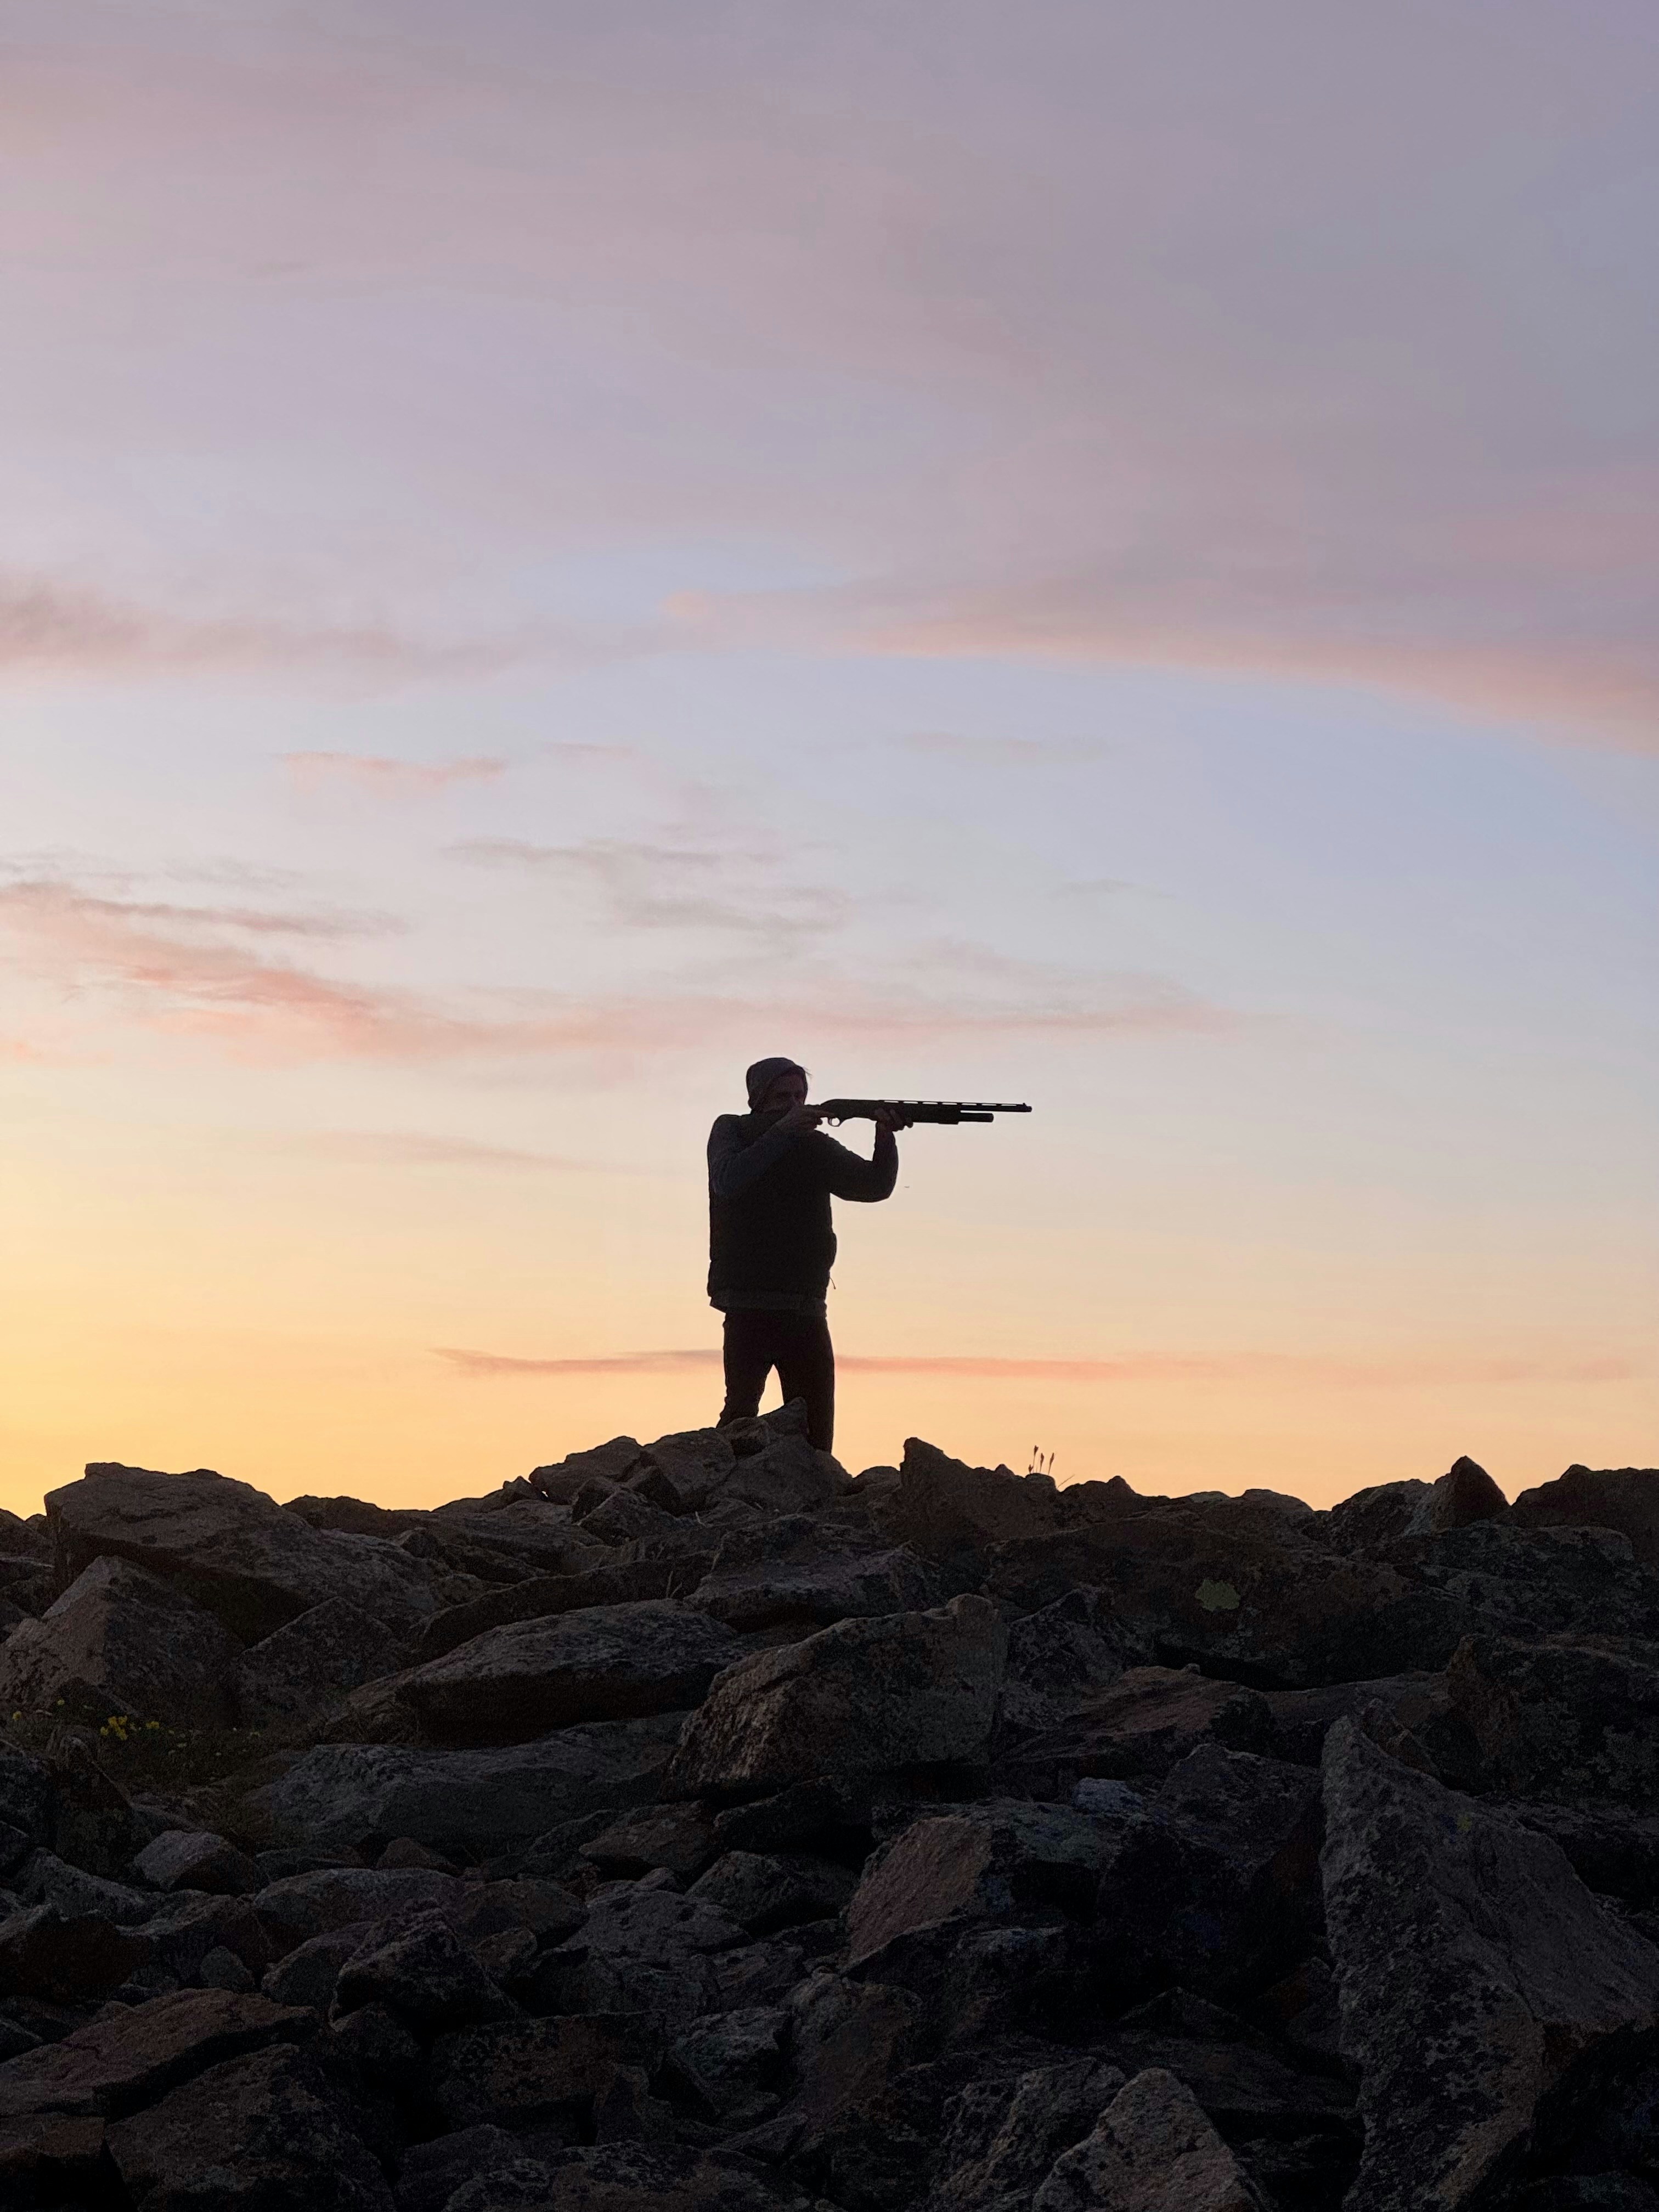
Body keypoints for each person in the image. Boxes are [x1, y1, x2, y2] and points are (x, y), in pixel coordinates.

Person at [707, 1056, 910, 1452]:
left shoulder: (812, 1145)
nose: (795, 1104)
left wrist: (885, 1136)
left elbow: (872, 1186)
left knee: (816, 1430)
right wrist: (781, 1133)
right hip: (747, 1302)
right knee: (739, 1416)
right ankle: (711, 1496)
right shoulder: (731, 1129)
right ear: (758, 1098)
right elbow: (729, 1180)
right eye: (783, 1096)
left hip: (804, 1306)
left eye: (800, 1095)